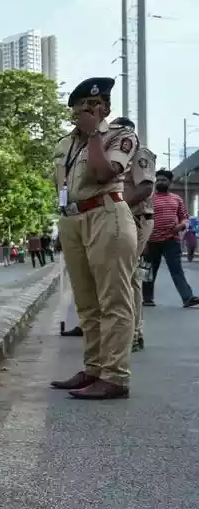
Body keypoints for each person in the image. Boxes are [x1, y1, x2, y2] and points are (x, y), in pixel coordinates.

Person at [48, 77, 139, 400]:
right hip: (73, 220)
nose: (84, 113)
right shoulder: (63, 144)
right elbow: (61, 188)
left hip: (106, 215)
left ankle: (115, 376)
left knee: (113, 300)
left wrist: (95, 134)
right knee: (87, 303)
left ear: (105, 108)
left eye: (91, 107)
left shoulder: (121, 136)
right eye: (80, 109)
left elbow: (103, 173)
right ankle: (94, 369)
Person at [111, 116, 156, 352]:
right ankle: (130, 331)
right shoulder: (120, 156)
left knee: (128, 276)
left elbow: (146, 187)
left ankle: (135, 333)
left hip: (137, 217)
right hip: (125, 216)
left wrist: (120, 206)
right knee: (127, 276)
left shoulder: (139, 153)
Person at [142, 169, 199, 308]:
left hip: (171, 240)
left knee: (177, 270)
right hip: (151, 241)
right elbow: (141, 218)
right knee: (148, 271)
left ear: (170, 182)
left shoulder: (176, 199)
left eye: (164, 180)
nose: (161, 182)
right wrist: (142, 241)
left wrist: (181, 226)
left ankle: (188, 298)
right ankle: (147, 299)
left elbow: (185, 217)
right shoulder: (148, 199)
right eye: (159, 180)